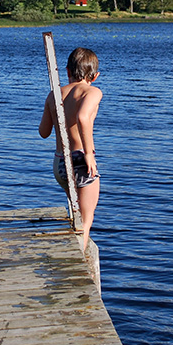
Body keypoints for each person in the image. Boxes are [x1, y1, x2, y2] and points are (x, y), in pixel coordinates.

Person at [39, 47, 103, 250]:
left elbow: (43, 132)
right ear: (95, 75)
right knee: (85, 219)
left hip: (59, 162)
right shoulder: (93, 92)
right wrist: (89, 155)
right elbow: (83, 117)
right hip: (80, 160)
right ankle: (79, 259)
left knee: (76, 214)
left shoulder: (54, 95)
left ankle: (74, 250)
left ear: (67, 71)